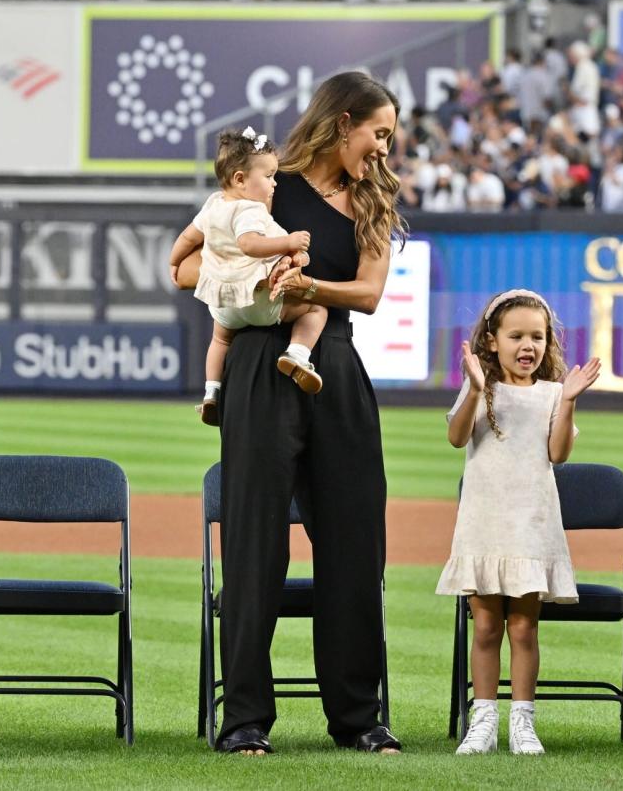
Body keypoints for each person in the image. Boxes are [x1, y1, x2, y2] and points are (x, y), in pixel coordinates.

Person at [175, 72, 405, 755]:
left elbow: (367, 294)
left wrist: (307, 285)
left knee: (356, 543)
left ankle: (358, 718)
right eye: (379, 133)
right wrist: (248, 282)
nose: (386, 149)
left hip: (332, 360)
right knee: (253, 543)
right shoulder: (263, 186)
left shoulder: (375, 200)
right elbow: (185, 269)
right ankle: (244, 718)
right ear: (344, 124)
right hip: (256, 361)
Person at [437, 289, 599, 755]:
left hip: (532, 523)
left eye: (538, 337)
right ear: (492, 341)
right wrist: (472, 386)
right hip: (485, 522)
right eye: (516, 336)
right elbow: (456, 436)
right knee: (485, 627)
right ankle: (483, 720)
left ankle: (522, 723)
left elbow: (558, 453)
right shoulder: (479, 387)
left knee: (524, 628)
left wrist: (568, 400)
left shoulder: (552, 393)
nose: (528, 346)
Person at [168, 127, 327, 425]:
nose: (274, 183)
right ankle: (297, 354)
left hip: (224, 304)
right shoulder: (250, 210)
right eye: (268, 176)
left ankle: (211, 393)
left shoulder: (213, 204)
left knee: (219, 340)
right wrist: (290, 243)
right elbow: (250, 244)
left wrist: (174, 263)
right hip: (258, 299)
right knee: (317, 307)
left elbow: (188, 238)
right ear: (240, 179)